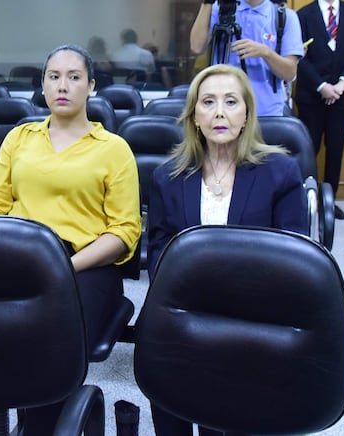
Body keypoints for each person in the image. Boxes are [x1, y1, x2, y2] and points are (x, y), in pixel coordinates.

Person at [0, 43, 141, 435]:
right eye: (54, 77)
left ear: (91, 86)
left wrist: (63, 267)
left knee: (50, 339)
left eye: (74, 77)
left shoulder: (114, 149)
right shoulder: (20, 138)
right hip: (17, 255)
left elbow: (125, 231)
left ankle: (41, 427)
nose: (63, 86)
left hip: (85, 265)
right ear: (43, 86)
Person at [147, 63, 307, 435]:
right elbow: (158, 249)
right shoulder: (167, 177)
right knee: (165, 371)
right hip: (187, 311)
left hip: (253, 314)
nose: (219, 112)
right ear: (194, 116)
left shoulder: (280, 172)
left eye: (231, 102)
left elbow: (292, 256)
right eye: (208, 102)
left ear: (247, 113)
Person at [296, 0, 344, 220]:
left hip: (341, 96)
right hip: (311, 96)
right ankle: (304, 201)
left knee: (335, 150)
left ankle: (329, 203)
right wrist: (321, 87)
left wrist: (341, 84)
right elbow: (297, 57)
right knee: (307, 150)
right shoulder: (303, 15)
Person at [190, 0, 303, 116]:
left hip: (266, 112)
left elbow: (290, 73)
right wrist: (207, 3)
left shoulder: (284, 17)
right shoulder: (219, 9)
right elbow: (197, 47)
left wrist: (266, 52)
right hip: (222, 110)